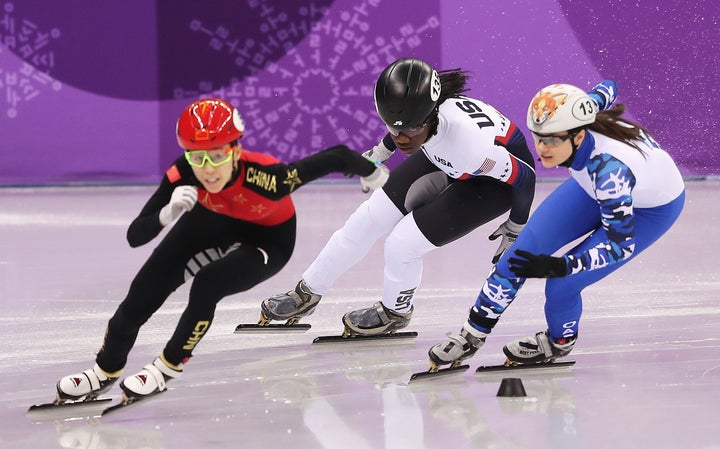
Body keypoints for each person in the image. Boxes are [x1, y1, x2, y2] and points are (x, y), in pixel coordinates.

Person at [54, 98, 389, 403]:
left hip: (268, 239)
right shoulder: (183, 173)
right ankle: (104, 370)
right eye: (197, 157)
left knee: (207, 284)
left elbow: (338, 156)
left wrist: (373, 172)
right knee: (140, 295)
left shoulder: (267, 177)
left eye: (218, 155)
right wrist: (166, 214)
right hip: (211, 221)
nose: (208, 168)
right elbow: (134, 236)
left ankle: (168, 365)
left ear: (236, 150)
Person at [258, 57, 539, 336]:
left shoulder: (471, 148)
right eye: (393, 129)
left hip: (493, 183)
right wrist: (382, 151)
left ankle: (395, 312)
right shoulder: (418, 119)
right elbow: (403, 124)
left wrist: (516, 227)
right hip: (442, 154)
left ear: (431, 117)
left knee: (403, 243)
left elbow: (525, 176)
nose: (402, 138)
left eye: (411, 130)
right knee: (366, 220)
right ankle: (307, 292)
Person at [427, 82, 685, 369]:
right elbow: (608, 88)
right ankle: (472, 335)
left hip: (649, 210)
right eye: (539, 138)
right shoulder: (578, 115)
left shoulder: (611, 172)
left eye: (552, 140)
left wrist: (561, 266)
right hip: (591, 188)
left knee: (562, 284)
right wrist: (599, 95)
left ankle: (559, 341)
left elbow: (619, 246)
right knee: (518, 255)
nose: (542, 148)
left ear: (578, 137)